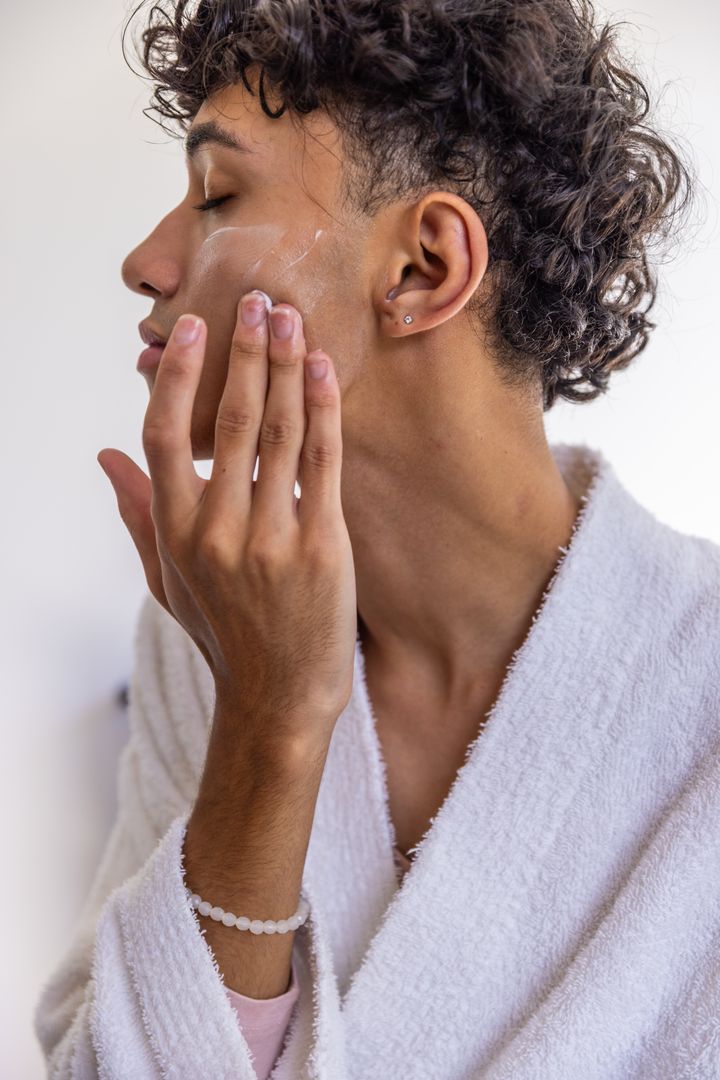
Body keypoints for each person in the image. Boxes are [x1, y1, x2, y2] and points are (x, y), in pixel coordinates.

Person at [34, 2, 719, 1078]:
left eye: (217, 195)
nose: (145, 261)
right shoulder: (200, 632)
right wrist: (268, 725)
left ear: (422, 268)